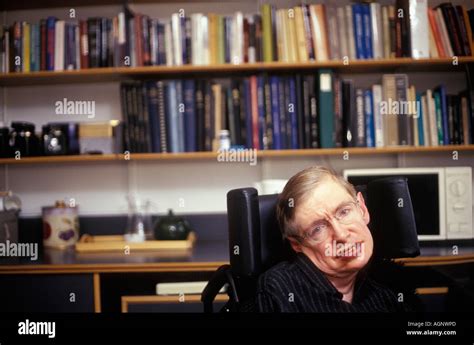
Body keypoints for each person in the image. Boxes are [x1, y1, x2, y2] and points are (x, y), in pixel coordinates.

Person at [256, 166, 404, 312]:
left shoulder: (388, 291)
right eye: (318, 229)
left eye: (344, 212)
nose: (341, 235)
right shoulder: (279, 290)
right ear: (297, 244)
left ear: (362, 210)